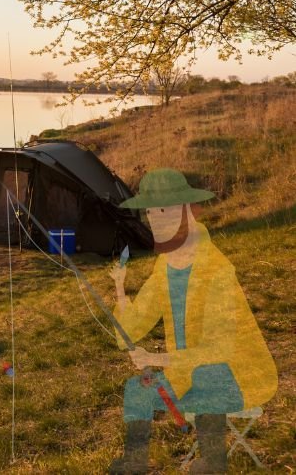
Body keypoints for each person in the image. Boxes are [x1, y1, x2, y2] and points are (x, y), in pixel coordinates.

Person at [108, 169, 277, 474]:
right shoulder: (165, 267)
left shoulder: (216, 269)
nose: (155, 220)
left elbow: (220, 350)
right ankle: (134, 463)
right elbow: (130, 330)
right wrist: (120, 291)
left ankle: (213, 463)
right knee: (137, 388)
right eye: (150, 212)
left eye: (165, 210)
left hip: (239, 376)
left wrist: (157, 358)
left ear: (187, 210)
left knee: (207, 378)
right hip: (184, 372)